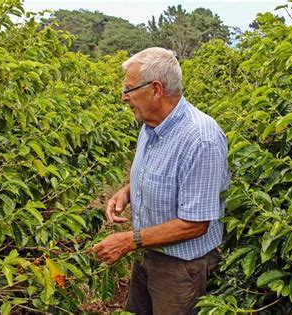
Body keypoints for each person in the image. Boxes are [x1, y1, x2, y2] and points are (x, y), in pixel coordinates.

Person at [93, 47, 230, 314]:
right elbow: (161, 174)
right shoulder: (150, 124)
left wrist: (127, 241)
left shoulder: (201, 139)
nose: (124, 98)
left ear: (156, 89)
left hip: (180, 267)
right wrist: (127, 192)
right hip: (148, 251)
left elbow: (195, 223)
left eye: (130, 89)